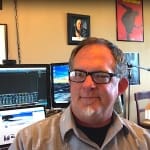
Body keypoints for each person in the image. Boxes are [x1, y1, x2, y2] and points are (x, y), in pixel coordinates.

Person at [9, 37, 150, 150]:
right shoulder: (28, 142)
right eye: (78, 74)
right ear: (70, 81)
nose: (88, 85)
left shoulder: (143, 142)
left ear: (121, 86)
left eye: (101, 75)